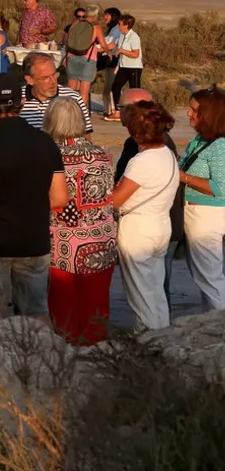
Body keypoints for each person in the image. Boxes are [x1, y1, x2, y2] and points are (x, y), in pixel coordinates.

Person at [0, 74, 68, 319]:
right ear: (23, 103)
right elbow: (60, 198)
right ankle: (37, 358)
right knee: (36, 314)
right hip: (32, 240)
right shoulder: (44, 142)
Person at [43, 97, 118, 344]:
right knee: (96, 305)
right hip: (100, 238)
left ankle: (65, 363)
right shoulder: (101, 153)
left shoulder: (48, 157)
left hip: (62, 241)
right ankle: (98, 358)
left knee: (63, 306)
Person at [110, 101, 179, 330]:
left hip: (139, 229)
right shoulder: (167, 153)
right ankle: (163, 339)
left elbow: (116, 200)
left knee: (141, 297)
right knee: (155, 291)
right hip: (161, 224)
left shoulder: (141, 161)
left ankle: (149, 343)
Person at [179, 88, 225, 312]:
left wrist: (182, 177)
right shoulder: (200, 139)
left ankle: (218, 326)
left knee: (210, 278)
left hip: (206, 216)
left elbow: (220, 188)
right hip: (196, 214)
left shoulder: (220, 146)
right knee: (204, 276)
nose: (188, 113)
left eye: (194, 109)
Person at [21, 53, 93, 134]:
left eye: (54, 75)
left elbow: (86, 135)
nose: (53, 81)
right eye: (46, 78)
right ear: (30, 80)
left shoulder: (72, 98)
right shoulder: (17, 99)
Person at [104, 15, 144, 122]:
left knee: (135, 91)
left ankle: (139, 114)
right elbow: (113, 45)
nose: (118, 26)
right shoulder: (122, 35)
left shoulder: (134, 37)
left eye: (120, 24)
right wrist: (100, 48)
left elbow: (135, 54)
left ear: (126, 25)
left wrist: (122, 51)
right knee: (115, 87)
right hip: (123, 66)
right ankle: (118, 112)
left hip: (134, 67)